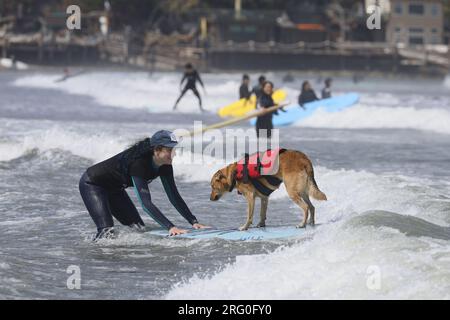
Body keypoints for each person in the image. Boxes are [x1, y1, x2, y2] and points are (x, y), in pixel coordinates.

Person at [79, 130, 209, 240]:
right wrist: (170, 227)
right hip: (93, 184)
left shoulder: (165, 165)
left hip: (115, 189)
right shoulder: (139, 164)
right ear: (157, 150)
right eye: (169, 150)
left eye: (173, 150)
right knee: (106, 232)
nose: (173, 154)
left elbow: (174, 196)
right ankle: (97, 259)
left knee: (137, 229)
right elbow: (146, 204)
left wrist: (193, 222)